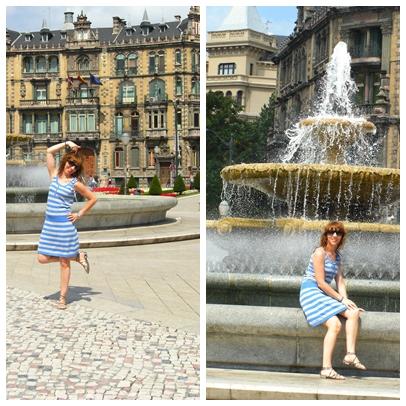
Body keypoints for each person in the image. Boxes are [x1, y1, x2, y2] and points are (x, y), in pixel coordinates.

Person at [299, 221, 366, 380]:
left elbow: (340, 282)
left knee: (351, 314)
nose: (334, 235)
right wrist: (341, 299)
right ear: (326, 235)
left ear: (342, 237)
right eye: (331, 232)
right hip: (310, 291)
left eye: (338, 233)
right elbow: (321, 282)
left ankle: (348, 356)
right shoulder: (319, 252)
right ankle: (327, 368)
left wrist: (347, 301)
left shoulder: (337, 257)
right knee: (338, 322)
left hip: (322, 293)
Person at [37, 141, 97, 310]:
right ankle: (77, 256)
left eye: (75, 168)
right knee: (41, 258)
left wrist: (79, 214)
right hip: (49, 226)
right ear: (66, 162)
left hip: (64, 226)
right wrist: (66, 144)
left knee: (64, 262)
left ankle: (63, 297)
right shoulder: (54, 174)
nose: (71, 168)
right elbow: (49, 152)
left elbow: (93, 198)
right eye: (70, 164)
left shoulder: (74, 183)